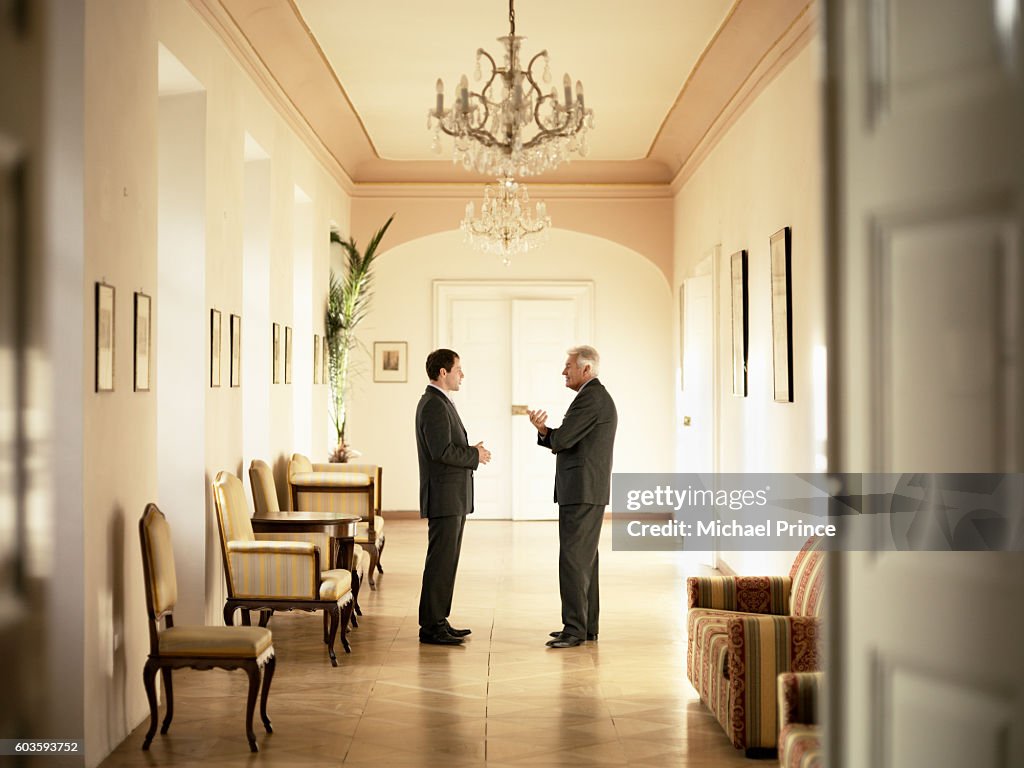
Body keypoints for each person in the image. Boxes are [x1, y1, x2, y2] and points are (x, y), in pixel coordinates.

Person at [527, 345, 617, 648]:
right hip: (586, 488)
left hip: (582, 489)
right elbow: (568, 438)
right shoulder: (592, 397)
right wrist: (544, 430)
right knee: (585, 559)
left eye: (568, 366)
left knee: (573, 560)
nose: (563, 372)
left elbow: (564, 439)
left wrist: (545, 431)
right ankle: (586, 626)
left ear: (586, 369)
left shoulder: (590, 398)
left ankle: (574, 629)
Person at [415, 348, 491, 645]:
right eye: (458, 369)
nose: (462, 374)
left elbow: (445, 446)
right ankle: (431, 626)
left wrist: (472, 450)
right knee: (441, 561)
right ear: (443, 372)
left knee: (447, 561)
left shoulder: (440, 402)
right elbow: (441, 452)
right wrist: (475, 453)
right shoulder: (433, 404)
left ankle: (439, 621)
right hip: (445, 496)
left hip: (452, 495)